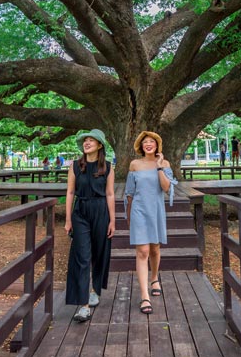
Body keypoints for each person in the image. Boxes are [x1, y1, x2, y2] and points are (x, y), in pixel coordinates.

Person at [65, 130, 116, 323]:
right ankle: (83, 305)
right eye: (84, 140)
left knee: (100, 253)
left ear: (100, 145)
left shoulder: (108, 167)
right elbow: (70, 192)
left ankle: (95, 289)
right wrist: (68, 219)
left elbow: (110, 194)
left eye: (91, 140)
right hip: (81, 212)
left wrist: (113, 220)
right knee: (82, 256)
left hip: (101, 210)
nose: (86, 143)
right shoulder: (75, 166)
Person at [125, 131, 172, 316]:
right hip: (138, 210)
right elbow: (129, 192)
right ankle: (145, 296)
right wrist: (128, 216)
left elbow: (166, 188)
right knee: (142, 251)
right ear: (140, 146)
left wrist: (159, 167)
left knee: (155, 249)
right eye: (145, 142)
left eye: (152, 141)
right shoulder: (135, 164)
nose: (148, 144)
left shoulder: (165, 164)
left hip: (156, 210)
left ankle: (154, 278)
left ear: (157, 145)